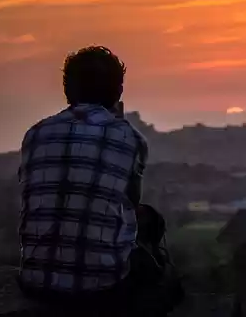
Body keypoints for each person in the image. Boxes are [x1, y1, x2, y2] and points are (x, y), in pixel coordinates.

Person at [17, 46, 179, 314]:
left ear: (67, 90)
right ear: (118, 91)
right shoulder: (129, 137)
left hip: (35, 283)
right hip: (100, 290)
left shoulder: (35, 133)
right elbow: (130, 201)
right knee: (165, 273)